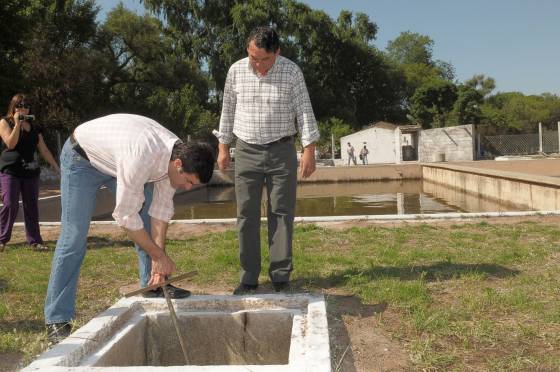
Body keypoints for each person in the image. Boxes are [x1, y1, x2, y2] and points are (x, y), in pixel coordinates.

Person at [44, 114, 215, 343]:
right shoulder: (142, 157)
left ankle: (153, 283)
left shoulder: (176, 155)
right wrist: (157, 253)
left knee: (144, 220)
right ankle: (57, 317)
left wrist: (159, 261)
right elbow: (124, 216)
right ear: (178, 165)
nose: (186, 187)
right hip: (81, 158)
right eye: (189, 182)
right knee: (73, 236)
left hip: (117, 159)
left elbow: (161, 211)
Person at [214, 27, 320, 295]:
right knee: (246, 214)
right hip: (246, 149)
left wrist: (309, 149)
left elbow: (304, 111)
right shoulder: (236, 71)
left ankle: (280, 276)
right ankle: (248, 277)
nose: (258, 64)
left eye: (264, 59)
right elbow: (227, 111)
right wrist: (223, 148)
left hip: (282, 150)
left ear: (277, 52)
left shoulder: (291, 72)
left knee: (282, 213)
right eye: (253, 58)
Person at [0, 93, 60, 252]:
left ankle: (35, 241)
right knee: (10, 204)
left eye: (26, 106)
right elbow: (10, 144)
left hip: (31, 171)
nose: (23, 109)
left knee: (31, 206)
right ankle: (2, 239)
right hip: (11, 170)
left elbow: (44, 149)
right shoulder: (5, 122)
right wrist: (18, 124)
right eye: (19, 106)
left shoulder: (34, 127)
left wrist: (55, 165)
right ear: (13, 107)